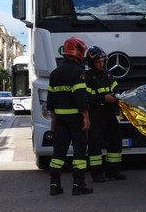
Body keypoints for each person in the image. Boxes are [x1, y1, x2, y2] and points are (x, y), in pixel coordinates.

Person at [47, 36, 93, 196]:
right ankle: (78, 185)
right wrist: (86, 117)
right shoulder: (78, 73)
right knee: (80, 151)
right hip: (76, 119)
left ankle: (54, 185)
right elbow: (81, 98)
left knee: (58, 151)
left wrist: (53, 119)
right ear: (78, 52)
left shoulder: (55, 74)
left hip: (60, 120)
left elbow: (50, 100)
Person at [84, 46, 126, 183]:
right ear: (91, 62)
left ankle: (113, 171)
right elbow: (86, 98)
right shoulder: (87, 77)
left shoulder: (108, 74)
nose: (101, 64)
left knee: (115, 141)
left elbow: (116, 88)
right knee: (95, 144)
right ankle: (96, 174)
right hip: (95, 114)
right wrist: (103, 99)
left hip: (109, 113)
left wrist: (118, 97)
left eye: (102, 61)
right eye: (98, 62)